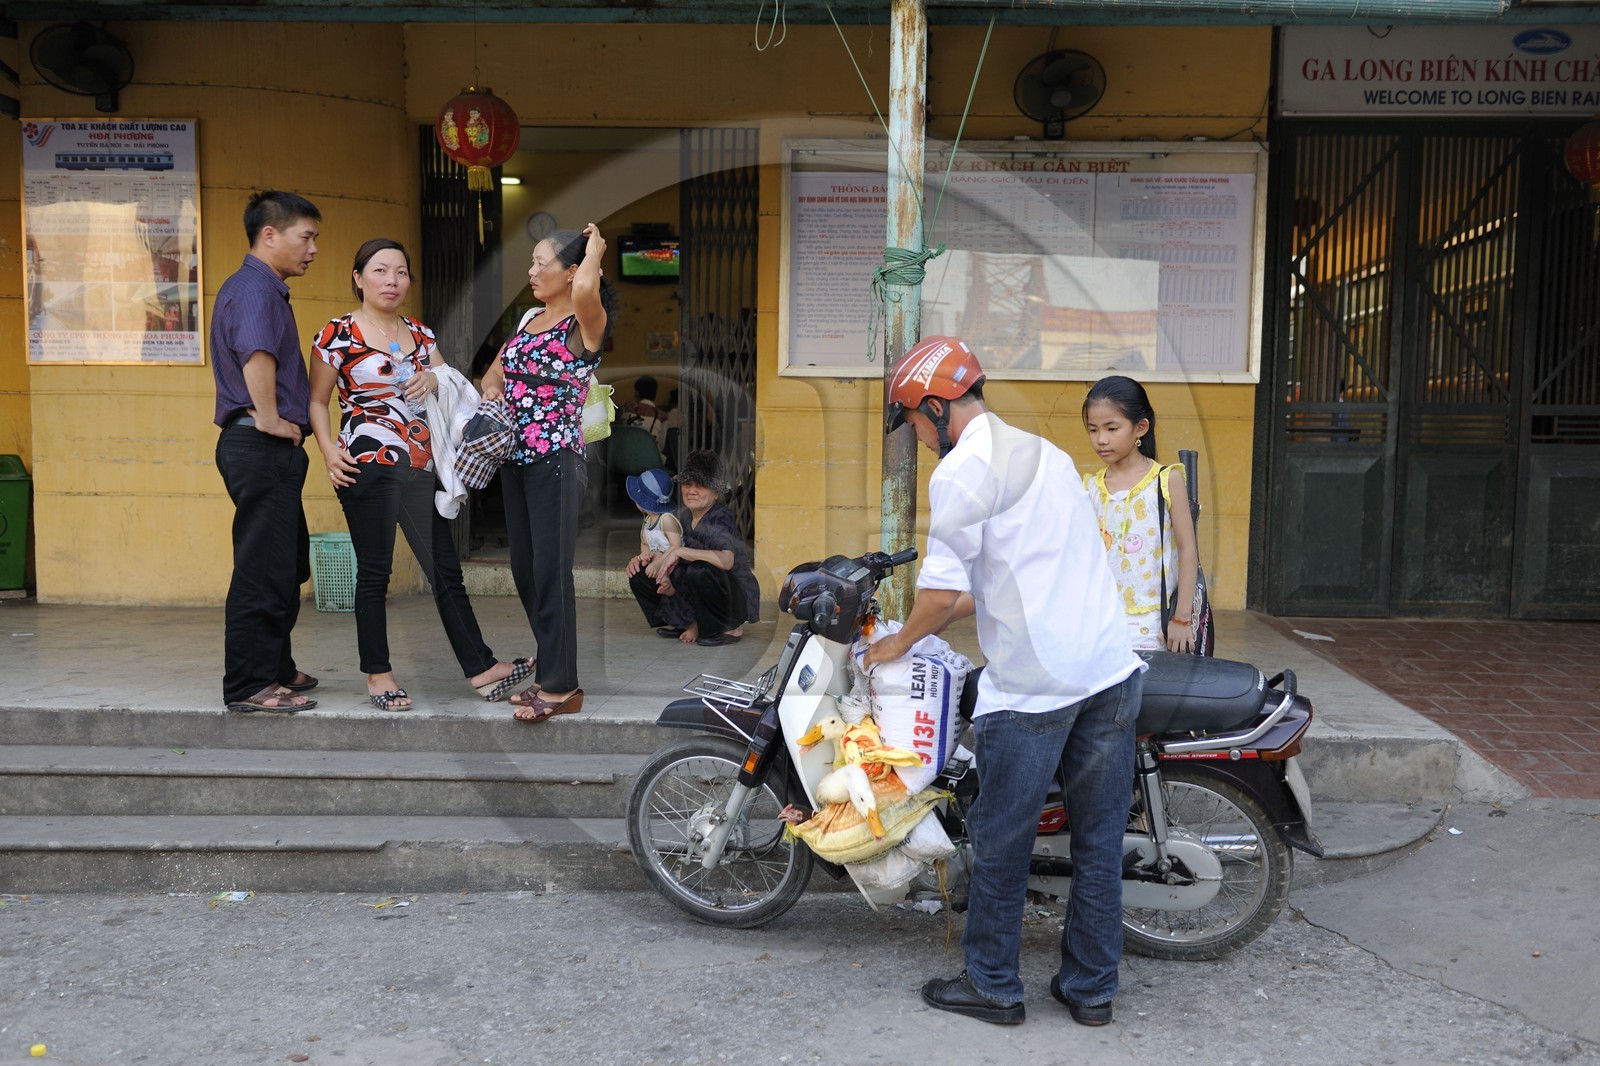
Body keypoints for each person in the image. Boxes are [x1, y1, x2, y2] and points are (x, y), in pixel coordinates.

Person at [861, 335, 1144, 1028]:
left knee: (1001, 836)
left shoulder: (960, 474)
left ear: (935, 407)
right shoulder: (1044, 455)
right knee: (1100, 838)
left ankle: (992, 984)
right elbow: (985, 586)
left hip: (1035, 688)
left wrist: (890, 646)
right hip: (1109, 670)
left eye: (915, 422)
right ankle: (1091, 989)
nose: (919, 439)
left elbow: (937, 598)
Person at [307, 238, 533, 711]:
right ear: (358, 277)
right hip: (366, 466)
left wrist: (434, 377)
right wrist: (328, 450)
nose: (392, 281)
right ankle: (378, 673)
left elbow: (449, 389)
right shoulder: (336, 334)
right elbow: (317, 401)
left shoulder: (421, 333)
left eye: (401, 272)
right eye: (380, 271)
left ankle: (482, 669)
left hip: (420, 464)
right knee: (374, 571)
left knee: (445, 570)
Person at [480, 224, 617, 723]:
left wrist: (596, 250)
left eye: (542, 263)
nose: (532, 272)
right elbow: (494, 370)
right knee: (525, 569)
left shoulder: (585, 324)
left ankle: (561, 687)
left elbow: (585, 290)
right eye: (531, 262)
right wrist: (493, 390)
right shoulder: (530, 318)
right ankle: (547, 672)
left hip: (556, 459)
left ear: (573, 272)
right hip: (514, 459)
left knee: (551, 572)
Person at [210, 190, 323, 714]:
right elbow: (256, 353)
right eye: (307, 237)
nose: (313, 249)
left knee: (284, 560)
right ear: (270, 235)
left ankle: (275, 667)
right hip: (259, 441)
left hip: (261, 444)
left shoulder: (260, 288)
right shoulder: (255, 290)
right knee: (262, 567)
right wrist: (272, 418)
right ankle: (250, 685)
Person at [1081, 375, 1199, 653]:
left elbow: (1187, 549)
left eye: (1112, 428)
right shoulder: (1089, 488)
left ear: (1140, 427)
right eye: (1093, 430)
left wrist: (1181, 618)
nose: (1101, 440)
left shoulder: (1166, 480)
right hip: (1099, 621)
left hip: (1153, 624)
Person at [627, 449, 759, 647]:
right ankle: (687, 623)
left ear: (715, 493)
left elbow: (727, 560)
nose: (691, 490)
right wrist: (644, 558)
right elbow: (664, 552)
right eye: (688, 484)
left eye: (701, 485)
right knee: (641, 575)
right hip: (695, 589)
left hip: (732, 596)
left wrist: (679, 551)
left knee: (699, 570)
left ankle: (729, 626)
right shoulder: (684, 517)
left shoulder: (719, 518)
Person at [623, 467, 683, 621]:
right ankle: (666, 616)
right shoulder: (647, 520)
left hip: (674, 559)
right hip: (658, 557)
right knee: (641, 572)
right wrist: (645, 553)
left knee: (663, 571)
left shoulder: (667, 520)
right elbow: (644, 542)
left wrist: (660, 564)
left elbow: (676, 547)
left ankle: (667, 584)